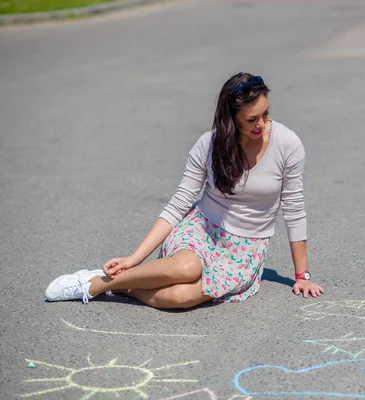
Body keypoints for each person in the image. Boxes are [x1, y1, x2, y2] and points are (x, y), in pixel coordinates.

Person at [45, 72, 324, 308]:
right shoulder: (210, 144)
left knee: (179, 297)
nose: (261, 125)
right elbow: (179, 203)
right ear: (232, 119)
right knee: (186, 269)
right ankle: (92, 284)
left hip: (247, 246)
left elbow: (294, 211)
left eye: (265, 114)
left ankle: (118, 285)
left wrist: (302, 274)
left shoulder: (287, 144)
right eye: (252, 119)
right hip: (202, 229)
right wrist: (134, 258)